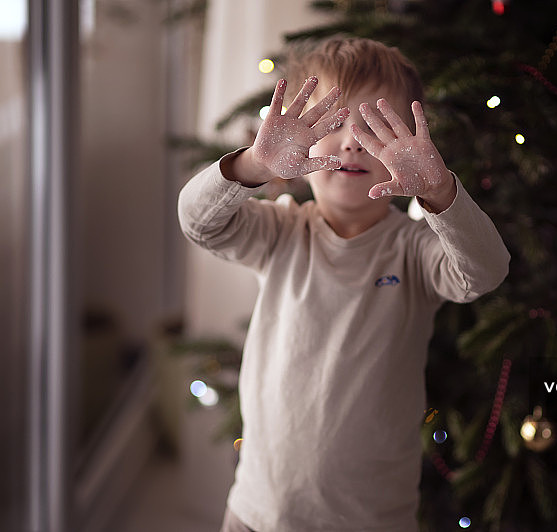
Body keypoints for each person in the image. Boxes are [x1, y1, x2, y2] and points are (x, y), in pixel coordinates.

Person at [178, 36, 510, 532]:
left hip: (373, 518)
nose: (352, 142)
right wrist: (256, 165)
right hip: (258, 511)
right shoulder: (280, 232)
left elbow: (485, 271)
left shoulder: (414, 251)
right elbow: (198, 222)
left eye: (374, 127)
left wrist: (441, 191)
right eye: (333, 123)